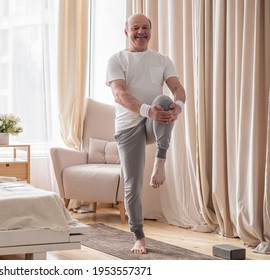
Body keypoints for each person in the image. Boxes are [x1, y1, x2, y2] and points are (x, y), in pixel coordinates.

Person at [106, 13, 186, 254]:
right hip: (128, 126)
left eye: (145, 28)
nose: (140, 32)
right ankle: (138, 236)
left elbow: (178, 89)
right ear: (126, 32)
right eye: (135, 28)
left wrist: (177, 108)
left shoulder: (161, 59)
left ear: (151, 31)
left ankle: (160, 161)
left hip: (155, 124)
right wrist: (146, 110)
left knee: (164, 99)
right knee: (132, 184)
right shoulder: (117, 59)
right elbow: (119, 94)